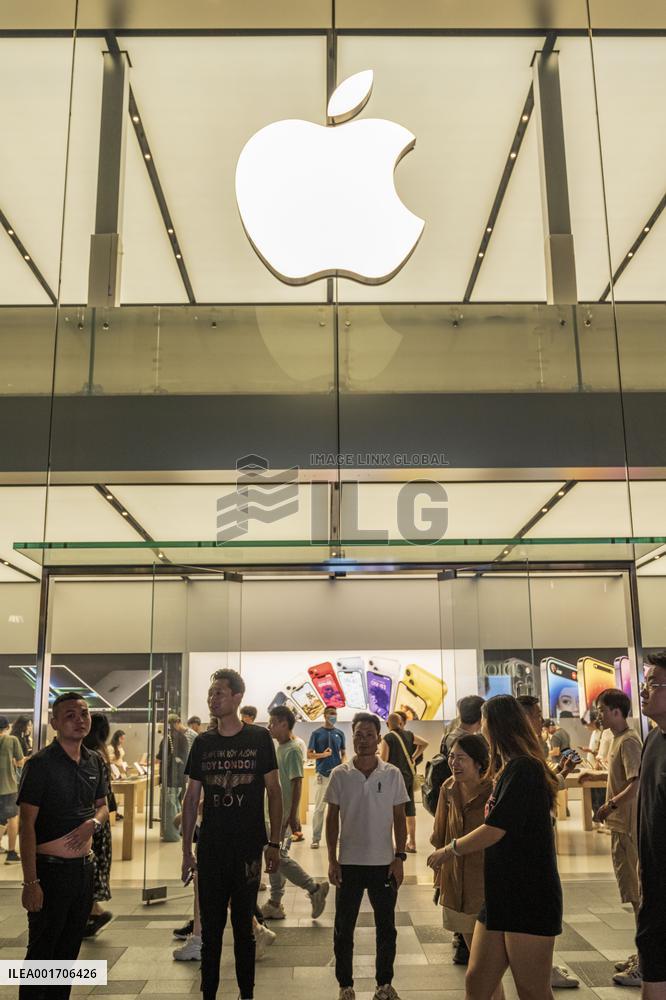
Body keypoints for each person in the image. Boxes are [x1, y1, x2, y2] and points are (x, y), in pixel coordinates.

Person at [428, 694, 562, 1000]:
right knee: (477, 983)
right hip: (501, 894)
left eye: (485, 722)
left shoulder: (524, 769)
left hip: (529, 895)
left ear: (496, 725)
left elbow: (495, 829)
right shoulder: (507, 770)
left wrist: (450, 850)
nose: (481, 730)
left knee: (532, 990)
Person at [181, 668, 283, 1000]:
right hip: (211, 849)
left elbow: (274, 791)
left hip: (247, 849)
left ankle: (247, 994)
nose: (213, 698)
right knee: (210, 932)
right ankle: (208, 994)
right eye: (211, 693)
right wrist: (186, 851)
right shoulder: (203, 743)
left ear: (237, 697)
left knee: (244, 930)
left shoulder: (258, 738)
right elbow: (191, 796)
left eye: (219, 693)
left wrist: (274, 843)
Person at [17, 691, 109, 1000]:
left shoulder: (94, 760)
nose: (80, 720)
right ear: (55, 722)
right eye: (70, 715)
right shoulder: (41, 764)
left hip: (82, 870)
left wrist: (92, 824)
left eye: (84, 714)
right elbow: (26, 826)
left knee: (68, 952)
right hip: (50, 872)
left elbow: (103, 807)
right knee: (42, 952)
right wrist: (31, 881)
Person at [326, 711, 409, 1000]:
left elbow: (399, 817)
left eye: (369, 735)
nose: (363, 741)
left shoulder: (392, 774)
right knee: (343, 928)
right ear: (353, 737)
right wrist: (332, 859)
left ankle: (384, 984)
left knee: (386, 928)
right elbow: (331, 818)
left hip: (383, 865)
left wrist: (399, 856)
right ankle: (345, 985)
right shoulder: (340, 774)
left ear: (378, 738)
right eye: (358, 735)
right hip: (348, 864)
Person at [429, 735, 500, 995]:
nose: (454, 764)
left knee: (482, 970)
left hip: (486, 883)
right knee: (479, 966)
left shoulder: (494, 789)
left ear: (479, 763)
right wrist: (440, 876)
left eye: (461, 758)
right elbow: (440, 833)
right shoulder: (448, 788)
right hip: (458, 883)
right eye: (452, 757)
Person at [591, 688, 643, 988]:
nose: (599, 714)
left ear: (615, 711)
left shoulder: (630, 742)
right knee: (634, 895)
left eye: (602, 709)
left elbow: (636, 784)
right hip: (621, 827)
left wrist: (609, 805)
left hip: (628, 828)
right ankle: (642, 953)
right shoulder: (619, 740)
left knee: (638, 896)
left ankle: (647, 962)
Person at [261, 705, 329, 920]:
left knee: (276, 856)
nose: (269, 727)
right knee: (275, 856)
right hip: (274, 813)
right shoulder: (280, 747)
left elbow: (297, 782)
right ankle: (275, 902)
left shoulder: (291, 749)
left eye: (272, 723)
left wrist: (292, 816)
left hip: (281, 816)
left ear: (283, 724)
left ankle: (313, 888)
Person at [636, 651, 666, 999]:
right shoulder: (652, 740)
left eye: (654, 683)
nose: (644, 691)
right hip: (655, 887)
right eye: (645, 683)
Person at [82, 714, 114, 937]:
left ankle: (92, 911)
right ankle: (91, 911)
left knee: (89, 864)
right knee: (95, 862)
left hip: (91, 818)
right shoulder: (100, 754)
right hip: (99, 819)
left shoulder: (88, 755)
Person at [380, 712, 428, 852]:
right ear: (401, 723)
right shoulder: (409, 735)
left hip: (392, 779)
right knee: (410, 811)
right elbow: (425, 743)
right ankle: (412, 843)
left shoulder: (388, 738)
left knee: (393, 812)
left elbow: (384, 760)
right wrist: (413, 757)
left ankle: (394, 843)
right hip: (407, 778)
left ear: (388, 724)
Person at [308, 705, 346, 849]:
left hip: (337, 776)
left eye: (335, 714)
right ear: (324, 716)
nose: (333, 716)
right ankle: (316, 838)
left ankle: (337, 837)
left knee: (339, 808)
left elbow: (343, 753)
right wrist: (323, 755)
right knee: (319, 809)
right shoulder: (316, 733)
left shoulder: (340, 733)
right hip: (322, 775)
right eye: (331, 714)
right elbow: (309, 754)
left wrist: (343, 765)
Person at [158, 715, 189, 842]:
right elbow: (186, 758)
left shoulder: (168, 739)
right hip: (180, 777)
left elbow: (160, 756)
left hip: (169, 777)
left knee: (169, 806)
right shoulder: (183, 738)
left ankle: (170, 833)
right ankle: (176, 832)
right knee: (177, 804)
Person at [0, 715, 26, 863]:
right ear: (7, 727)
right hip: (8, 785)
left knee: (1, 819)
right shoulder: (11, 740)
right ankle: (11, 853)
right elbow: (20, 761)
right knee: (13, 817)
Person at [290, 730, 308, 841]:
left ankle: (297, 831)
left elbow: (302, 760)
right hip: (287, 778)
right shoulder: (283, 745)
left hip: (296, 776)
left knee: (294, 806)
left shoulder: (298, 743)